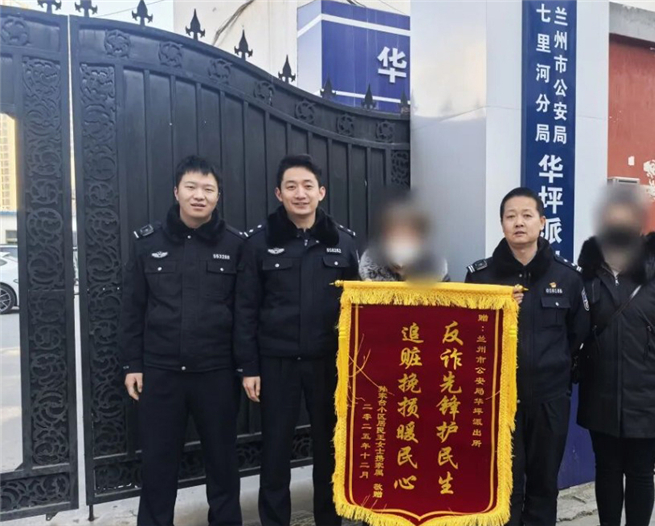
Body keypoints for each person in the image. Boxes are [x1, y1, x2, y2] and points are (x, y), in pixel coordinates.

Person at [119, 155, 246, 526]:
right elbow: (132, 308)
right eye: (191, 187)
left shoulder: (235, 244)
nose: (199, 195)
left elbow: (244, 312)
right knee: (158, 465)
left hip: (216, 373)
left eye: (208, 189)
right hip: (161, 373)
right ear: (177, 191)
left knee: (223, 463)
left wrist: (245, 367)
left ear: (218, 196)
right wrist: (132, 364)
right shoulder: (148, 242)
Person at [235, 154, 359, 526]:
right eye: (291, 186)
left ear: (322, 192)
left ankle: (329, 520)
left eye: (307, 186)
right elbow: (246, 308)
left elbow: (359, 306)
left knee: (330, 450)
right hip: (277, 363)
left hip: (328, 363)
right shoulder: (258, 243)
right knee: (275, 452)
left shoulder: (344, 243)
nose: (300, 194)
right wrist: (249, 367)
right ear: (279, 193)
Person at [465, 187, 590, 526]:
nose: (518, 223)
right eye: (510, 216)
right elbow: (466, 336)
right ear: (502, 224)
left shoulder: (567, 277)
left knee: (544, 484)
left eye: (526, 215)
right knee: (502, 484)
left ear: (542, 222)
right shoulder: (480, 277)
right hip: (497, 400)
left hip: (550, 398)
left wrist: (554, 369)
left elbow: (578, 334)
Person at [576, 184, 655, 526]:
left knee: (641, 472)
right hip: (601, 389)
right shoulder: (589, 271)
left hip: (650, 392)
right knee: (607, 469)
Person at [359, 196, 449, 282]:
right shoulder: (369, 272)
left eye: (408, 234)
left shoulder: (435, 272)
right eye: (396, 233)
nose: (402, 240)